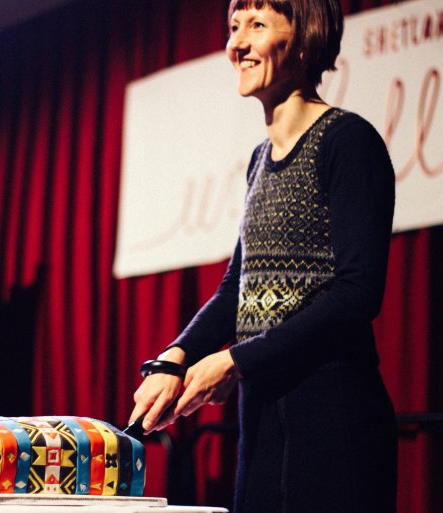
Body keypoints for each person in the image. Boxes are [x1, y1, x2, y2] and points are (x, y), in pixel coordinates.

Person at [129, 0, 397, 512]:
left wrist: (232, 361)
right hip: (264, 413)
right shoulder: (259, 160)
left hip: (333, 413)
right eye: (234, 27)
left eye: (256, 25)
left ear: (303, 37)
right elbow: (238, 286)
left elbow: (358, 291)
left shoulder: (347, 141)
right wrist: (173, 358)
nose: (237, 43)